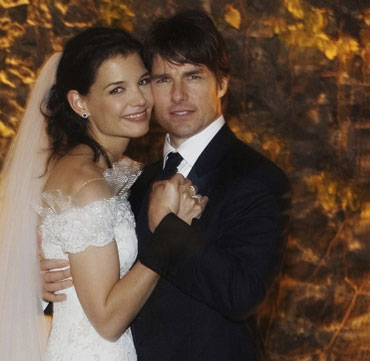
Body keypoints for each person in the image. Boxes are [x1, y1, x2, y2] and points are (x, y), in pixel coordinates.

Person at [0, 27, 206, 361]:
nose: (140, 100)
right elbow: (107, 320)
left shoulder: (107, 170)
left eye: (144, 81)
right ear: (80, 102)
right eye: (117, 89)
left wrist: (37, 281)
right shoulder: (87, 183)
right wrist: (170, 236)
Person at [43, 10, 291, 361]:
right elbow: (100, 268)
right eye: (160, 79)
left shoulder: (257, 179)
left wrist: (170, 230)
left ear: (222, 83)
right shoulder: (133, 178)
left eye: (193, 76)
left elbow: (242, 296)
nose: (177, 95)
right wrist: (49, 283)